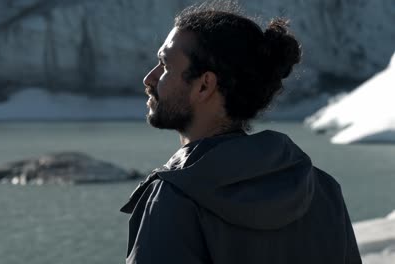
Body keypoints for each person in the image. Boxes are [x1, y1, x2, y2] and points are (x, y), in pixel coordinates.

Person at [120, 2, 362, 264]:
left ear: (204, 86)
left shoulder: (174, 198)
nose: (149, 78)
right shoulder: (322, 190)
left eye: (165, 65)